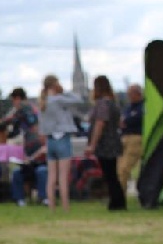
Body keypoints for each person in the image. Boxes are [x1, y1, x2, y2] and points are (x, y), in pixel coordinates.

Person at [38, 74, 83, 212]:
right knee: (63, 177)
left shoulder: (43, 103)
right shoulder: (58, 99)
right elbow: (78, 99)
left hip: (50, 140)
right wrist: (65, 91)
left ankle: (51, 206)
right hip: (62, 138)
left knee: (51, 177)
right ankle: (65, 206)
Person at [86, 75, 126, 210]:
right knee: (112, 173)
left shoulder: (102, 104)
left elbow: (100, 124)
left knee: (109, 174)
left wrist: (92, 144)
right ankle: (118, 200)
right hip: (114, 140)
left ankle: (116, 202)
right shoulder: (113, 103)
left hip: (106, 144)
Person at [10, 123, 48, 207]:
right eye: (38, 134)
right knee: (16, 172)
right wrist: (26, 161)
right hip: (30, 168)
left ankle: (44, 198)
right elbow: (28, 158)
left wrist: (38, 154)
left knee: (41, 171)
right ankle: (19, 199)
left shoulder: (50, 144)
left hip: (45, 167)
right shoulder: (32, 145)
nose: (39, 137)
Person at [118, 83, 144, 195]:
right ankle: (118, 193)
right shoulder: (128, 108)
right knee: (118, 168)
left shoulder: (143, 107)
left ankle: (120, 195)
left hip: (135, 138)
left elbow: (133, 119)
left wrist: (126, 121)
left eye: (131, 94)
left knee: (124, 168)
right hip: (124, 137)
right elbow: (122, 120)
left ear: (138, 94)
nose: (129, 97)